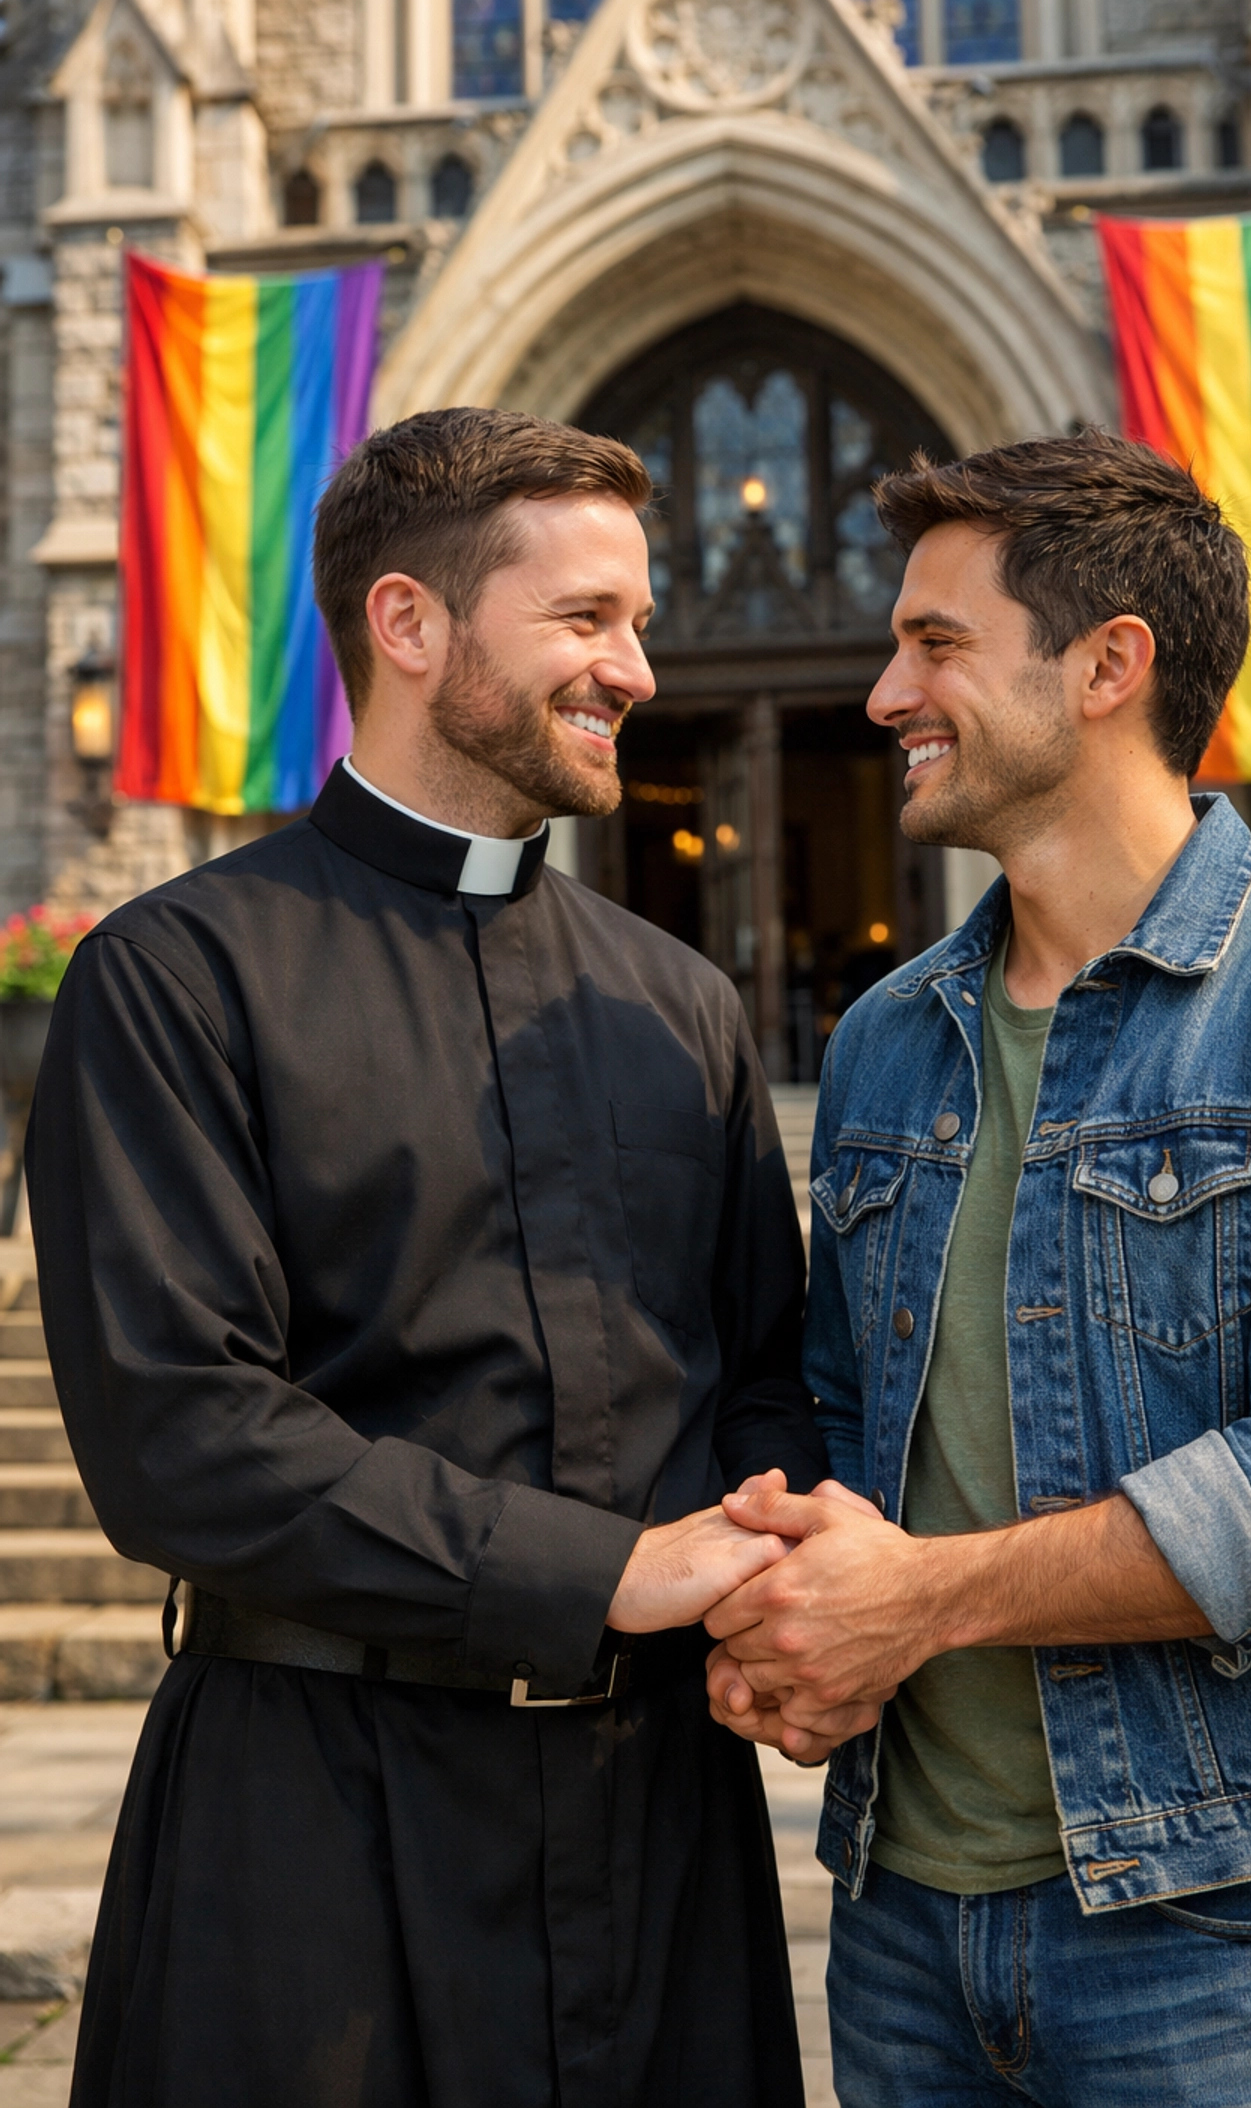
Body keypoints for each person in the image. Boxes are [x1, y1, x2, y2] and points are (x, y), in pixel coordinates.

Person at [27, 408, 826, 2108]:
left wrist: (771, 1562)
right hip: (308, 1830)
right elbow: (185, 1438)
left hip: (658, 1832)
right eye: (589, 618)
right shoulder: (175, 978)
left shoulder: (674, 1000)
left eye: (641, 619)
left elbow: (763, 1366)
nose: (641, 669)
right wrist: (601, 1570)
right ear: (410, 625)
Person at [704, 431, 1251, 2106]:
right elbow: (854, 1425)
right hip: (908, 1928)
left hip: (1241, 1938)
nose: (882, 695)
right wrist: (796, 1615)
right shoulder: (882, 1046)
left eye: (934, 645)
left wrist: (915, 1599)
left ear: (1106, 667)